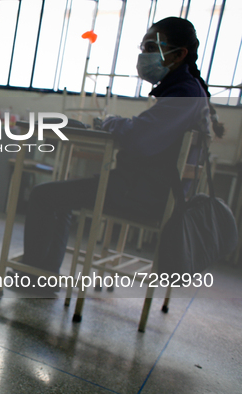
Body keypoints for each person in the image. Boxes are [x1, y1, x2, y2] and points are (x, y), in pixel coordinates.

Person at [20, 17, 223, 292]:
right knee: (59, 199)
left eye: (151, 47)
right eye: (143, 47)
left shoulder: (186, 93)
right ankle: (44, 275)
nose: (144, 55)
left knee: (44, 196)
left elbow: (140, 138)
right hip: (146, 189)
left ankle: (35, 277)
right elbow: (148, 134)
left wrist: (110, 121)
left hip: (141, 194)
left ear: (179, 54)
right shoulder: (186, 91)